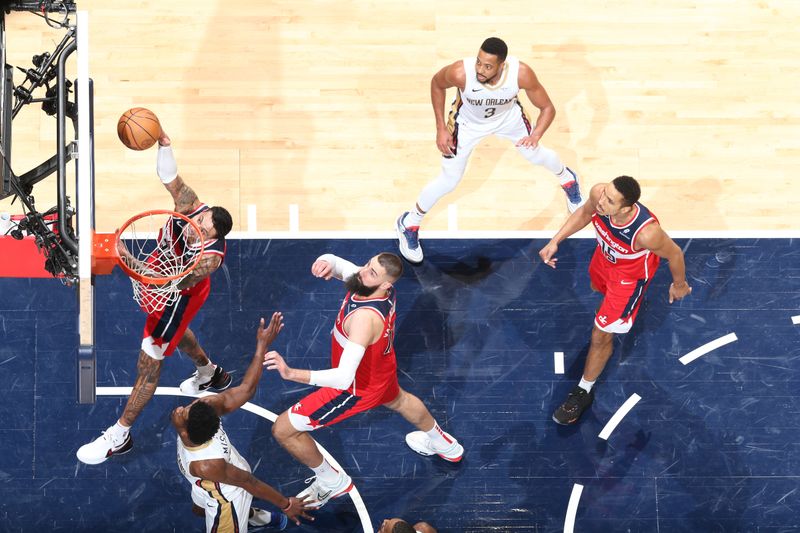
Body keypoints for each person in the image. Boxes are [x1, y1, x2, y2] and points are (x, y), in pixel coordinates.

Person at [77, 130, 235, 464]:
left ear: (213, 237)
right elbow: (169, 177)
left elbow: (165, 284)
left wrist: (125, 258)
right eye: (202, 222)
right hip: (165, 278)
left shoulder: (209, 259)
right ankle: (210, 374)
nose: (200, 228)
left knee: (148, 367)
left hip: (179, 297)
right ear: (202, 213)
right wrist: (164, 142)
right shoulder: (189, 205)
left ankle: (120, 434)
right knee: (181, 337)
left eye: (206, 232)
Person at [263, 252, 464, 508]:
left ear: (385, 284)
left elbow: (343, 377)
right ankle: (446, 446)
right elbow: (345, 268)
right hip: (380, 368)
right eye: (368, 264)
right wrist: (328, 262)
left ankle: (332, 481)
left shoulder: (363, 320)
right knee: (400, 400)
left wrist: (291, 373)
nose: (363, 271)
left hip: (354, 388)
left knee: (284, 430)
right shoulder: (377, 287)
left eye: (371, 272)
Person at [396, 36, 585, 264]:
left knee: (535, 154)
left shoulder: (521, 73)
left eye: (487, 66)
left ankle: (568, 180)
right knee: (449, 180)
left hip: (509, 120)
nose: (480, 69)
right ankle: (409, 223)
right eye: (478, 62)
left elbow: (547, 108)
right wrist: (439, 128)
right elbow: (437, 84)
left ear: (501, 66)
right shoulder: (460, 72)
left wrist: (535, 135)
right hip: (466, 124)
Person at [539, 175, 691, 424]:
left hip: (628, 279)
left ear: (626, 207)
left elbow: (674, 254)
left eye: (609, 201)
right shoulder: (598, 194)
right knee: (595, 288)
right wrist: (556, 240)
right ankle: (612, 314)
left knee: (600, 335)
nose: (601, 201)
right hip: (604, 261)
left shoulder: (647, 234)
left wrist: (679, 284)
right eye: (604, 193)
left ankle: (583, 391)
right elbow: (585, 214)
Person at [173, 312, 315, 531]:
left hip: (226, 496)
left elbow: (249, 482)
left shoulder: (207, 465)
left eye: (183, 413)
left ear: (187, 433)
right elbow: (246, 389)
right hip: (207, 482)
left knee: (224, 506)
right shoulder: (206, 410)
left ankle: (252, 514)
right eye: (186, 409)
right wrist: (262, 345)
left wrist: (287, 504)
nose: (181, 408)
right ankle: (254, 516)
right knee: (198, 510)